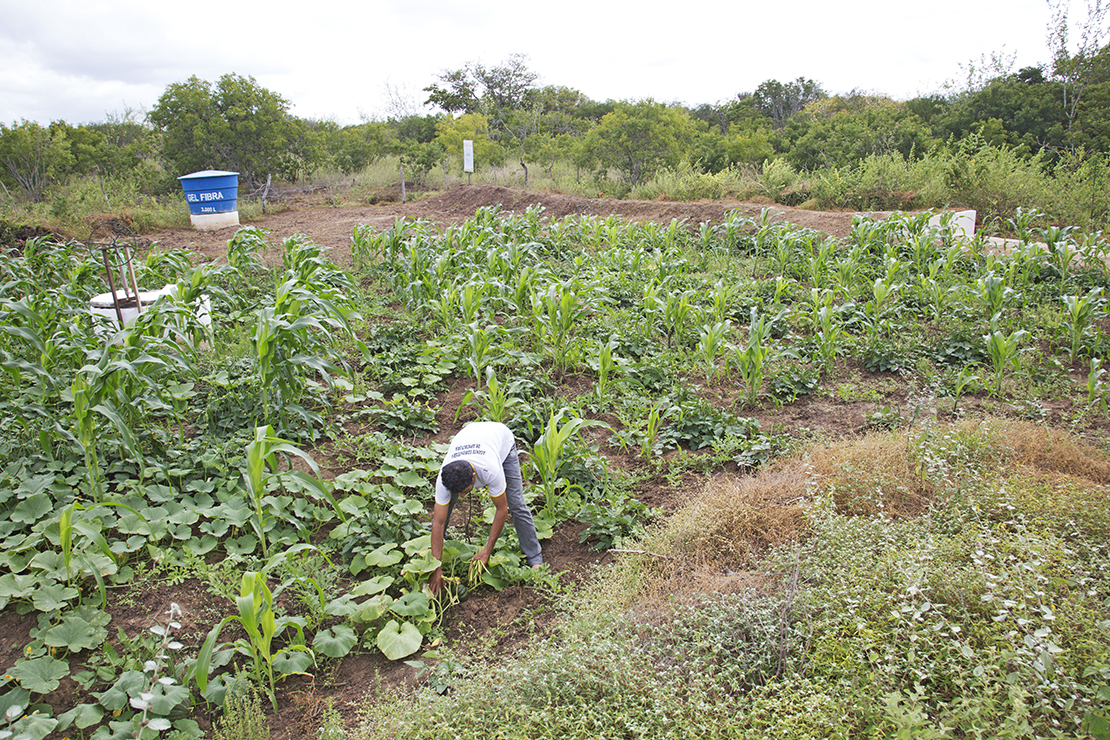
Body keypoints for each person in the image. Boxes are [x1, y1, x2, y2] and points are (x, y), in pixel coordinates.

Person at [428, 421, 542, 596]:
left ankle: (535, 557)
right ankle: (437, 553)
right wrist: (435, 567)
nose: (464, 497)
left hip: (501, 439)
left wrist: (487, 550)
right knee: (447, 503)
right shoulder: (444, 478)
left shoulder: (490, 470)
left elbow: (501, 510)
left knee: (516, 503)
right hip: (470, 435)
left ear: (474, 477)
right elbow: (438, 522)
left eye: (466, 491)